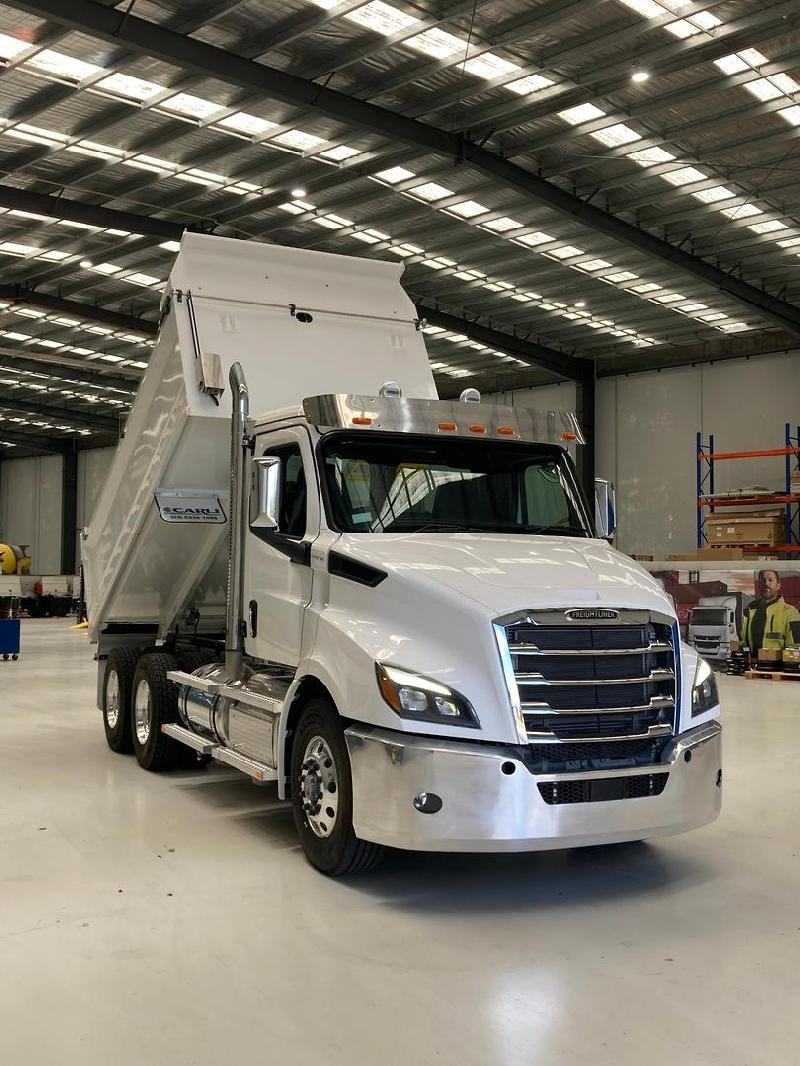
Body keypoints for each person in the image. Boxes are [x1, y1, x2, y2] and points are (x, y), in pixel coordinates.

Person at [740, 570, 800, 655]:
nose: (766, 584)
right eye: (763, 580)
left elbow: (796, 647)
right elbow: (742, 640)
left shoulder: (791, 613)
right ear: (759, 585)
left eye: (770, 580)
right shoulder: (750, 610)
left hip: (778, 666)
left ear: (778, 586)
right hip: (753, 665)